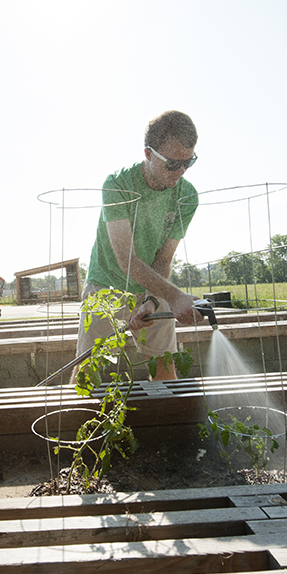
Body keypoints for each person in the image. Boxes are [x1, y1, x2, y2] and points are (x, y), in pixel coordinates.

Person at [75, 110, 205, 381]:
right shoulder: (118, 185)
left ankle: (165, 418)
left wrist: (152, 299)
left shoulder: (187, 196)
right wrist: (177, 297)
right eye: (172, 163)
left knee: (165, 371)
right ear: (148, 154)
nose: (180, 172)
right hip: (105, 288)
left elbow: (164, 259)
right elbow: (126, 259)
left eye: (188, 162)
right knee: (87, 376)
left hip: (154, 288)